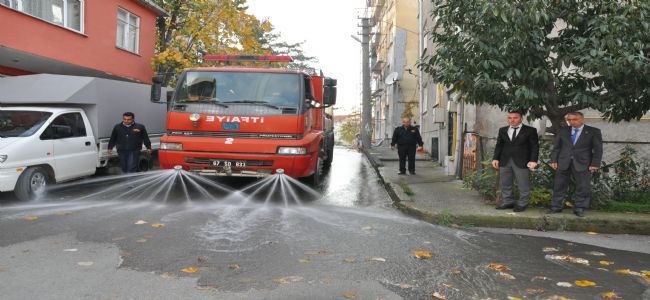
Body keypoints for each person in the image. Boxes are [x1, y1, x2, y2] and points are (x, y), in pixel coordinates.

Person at [548, 112, 603, 217]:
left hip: (583, 163)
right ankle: (556, 207)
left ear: (582, 119)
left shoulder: (593, 131)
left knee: (583, 186)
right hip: (563, 162)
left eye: (574, 119)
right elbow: (557, 147)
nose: (571, 122)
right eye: (569, 120)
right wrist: (553, 160)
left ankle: (579, 208)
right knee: (559, 185)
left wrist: (595, 163)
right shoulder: (563, 131)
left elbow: (598, 149)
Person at [492, 111, 539, 212]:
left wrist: (533, 160)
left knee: (523, 183)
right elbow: (499, 145)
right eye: (509, 118)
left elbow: (534, 147)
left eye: (515, 118)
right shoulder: (502, 130)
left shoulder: (530, 130)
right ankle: (508, 201)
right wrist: (495, 158)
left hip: (522, 161)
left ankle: (523, 203)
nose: (512, 120)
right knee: (505, 183)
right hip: (505, 160)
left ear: (521, 118)